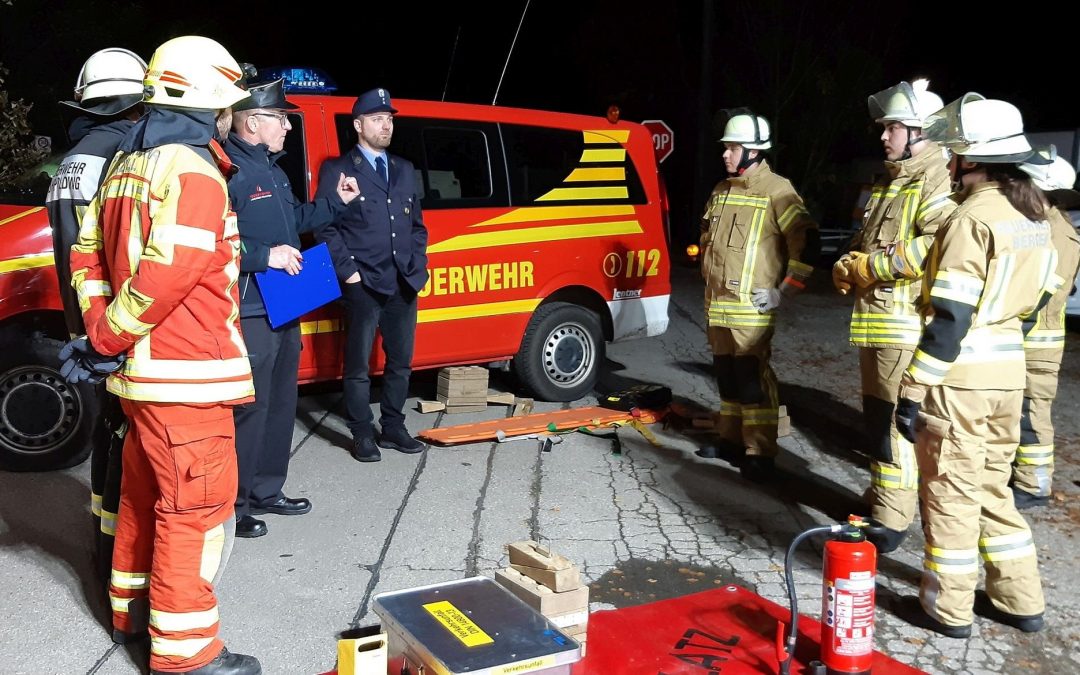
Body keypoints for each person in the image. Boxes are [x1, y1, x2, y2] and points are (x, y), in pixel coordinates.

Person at [64, 36, 261, 674]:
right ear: (208, 102)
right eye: (230, 102)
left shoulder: (126, 165)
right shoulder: (195, 171)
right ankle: (188, 655)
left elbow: (85, 255)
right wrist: (106, 337)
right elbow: (168, 277)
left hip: (141, 383)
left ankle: (131, 619)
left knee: (142, 501)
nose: (233, 115)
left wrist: (100, 330)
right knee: (195, 514)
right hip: (188, 382)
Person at [894, 94, 1056, 639]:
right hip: (1008, 378)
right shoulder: (1034, 215)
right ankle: (1019, 599)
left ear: (970, 158)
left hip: (960, 380)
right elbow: (1036, 304)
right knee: (991, 487)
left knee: (949, 494)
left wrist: (914, 389)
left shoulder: (972, 218)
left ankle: (948, 608)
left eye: (954, 150)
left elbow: (951, 317)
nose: (949, 158)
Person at [225, 79, 359, 537]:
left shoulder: (273, 170)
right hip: (250, 308)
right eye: (280, 118)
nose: (287, 125)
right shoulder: (227, 171)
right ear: (254, 121)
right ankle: (236, 506)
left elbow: (295, 221)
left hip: (284, 302)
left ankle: (266, 490)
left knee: (282, 402)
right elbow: (209, 245)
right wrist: (265, 256)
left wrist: (332, 205)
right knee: (250, 408)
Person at [832, 80, 955, 553]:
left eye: (893, 128)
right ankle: (886, 500)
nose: (883, 136)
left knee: (891, 427)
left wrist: (868, 268)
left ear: (919, 131)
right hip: (878, 322)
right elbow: (869, 243)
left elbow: (932, 246)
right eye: (884, 127)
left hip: (902, 324)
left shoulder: (933, 178)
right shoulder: (892, 179)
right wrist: (849, 263)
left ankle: (891, 520)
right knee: (878, 423)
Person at [45, 47, 146, 591]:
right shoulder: (121, 159)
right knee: (128, 446)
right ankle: (120, 567)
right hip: (119, 326)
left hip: (84, 323)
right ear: (134, 108)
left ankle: (103, 546)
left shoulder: (70, 162)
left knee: (109, 435)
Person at [697, 110, 818, 482]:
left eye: (732, 148)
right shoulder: (721, 191)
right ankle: (730, 439)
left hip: (751, 307)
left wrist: (784, 292)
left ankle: (760, 451)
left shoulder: (778, 191)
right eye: (726, 148)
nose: (725, 154)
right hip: (718, 305)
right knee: (728, 379)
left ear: (752, 151)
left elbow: (806, 245)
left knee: (752, 381)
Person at [315, 88, 428, 463]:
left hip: (403, 282)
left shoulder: (404, 169)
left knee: (401, 361)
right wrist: (348, 274)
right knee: (358, 365)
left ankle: (393, 426)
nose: (386, 125)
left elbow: (416, 226)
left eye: (390, 119)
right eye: (378, 119)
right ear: (358, 125)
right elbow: (326, 227)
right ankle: (362, 432)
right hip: (363, 283)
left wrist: (417, 265)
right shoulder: (338, 170)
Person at [1011, 152, 1080, 509]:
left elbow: (1042, 293)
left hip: (1036, 343)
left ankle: (1033, 485)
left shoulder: (1058, 233)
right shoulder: (1041, 223)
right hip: (1029, 338)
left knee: (1031, 415)